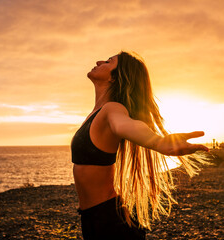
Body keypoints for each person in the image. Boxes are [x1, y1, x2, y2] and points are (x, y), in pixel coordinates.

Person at [71, 51, 209, 240]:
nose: (98, 61)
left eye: (108, 61)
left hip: (109, 221)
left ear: (115, 77)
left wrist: (159, 143)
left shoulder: (112, 109)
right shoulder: (96, 113)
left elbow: (125, 125)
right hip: (92, 217)